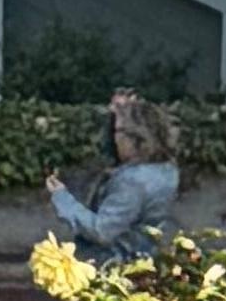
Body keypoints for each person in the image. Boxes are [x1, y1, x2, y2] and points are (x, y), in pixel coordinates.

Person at [45, 87, 182, 267]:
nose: (114, 138)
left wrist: (62, 198)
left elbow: (103, 231)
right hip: (147, 259)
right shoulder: (167, 170)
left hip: (117, 265)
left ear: (135, 138)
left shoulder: (133, 181)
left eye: (117, 132)